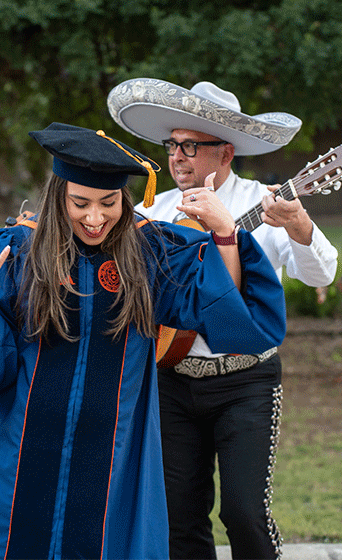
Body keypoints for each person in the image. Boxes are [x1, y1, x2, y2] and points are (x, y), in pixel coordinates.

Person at [0, 122, 288, 560]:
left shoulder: (149, 253)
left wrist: (224, 233)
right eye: (81, 203)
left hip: (113, 463)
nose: (95, 218)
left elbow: (224, 310)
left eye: (108, 203)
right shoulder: (16, 252)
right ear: (58, 197)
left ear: (124, 200)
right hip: (17, 462)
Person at [108, 78, 339, 559]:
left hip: (246, 381)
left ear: (226, 153)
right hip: (171, 378)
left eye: (190, 146)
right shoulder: (157, 210)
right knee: (179, 514)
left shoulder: (265, 203)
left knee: (244, 512)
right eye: (172, 145)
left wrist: (299, 224)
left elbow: (323, 270)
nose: (176, 157)